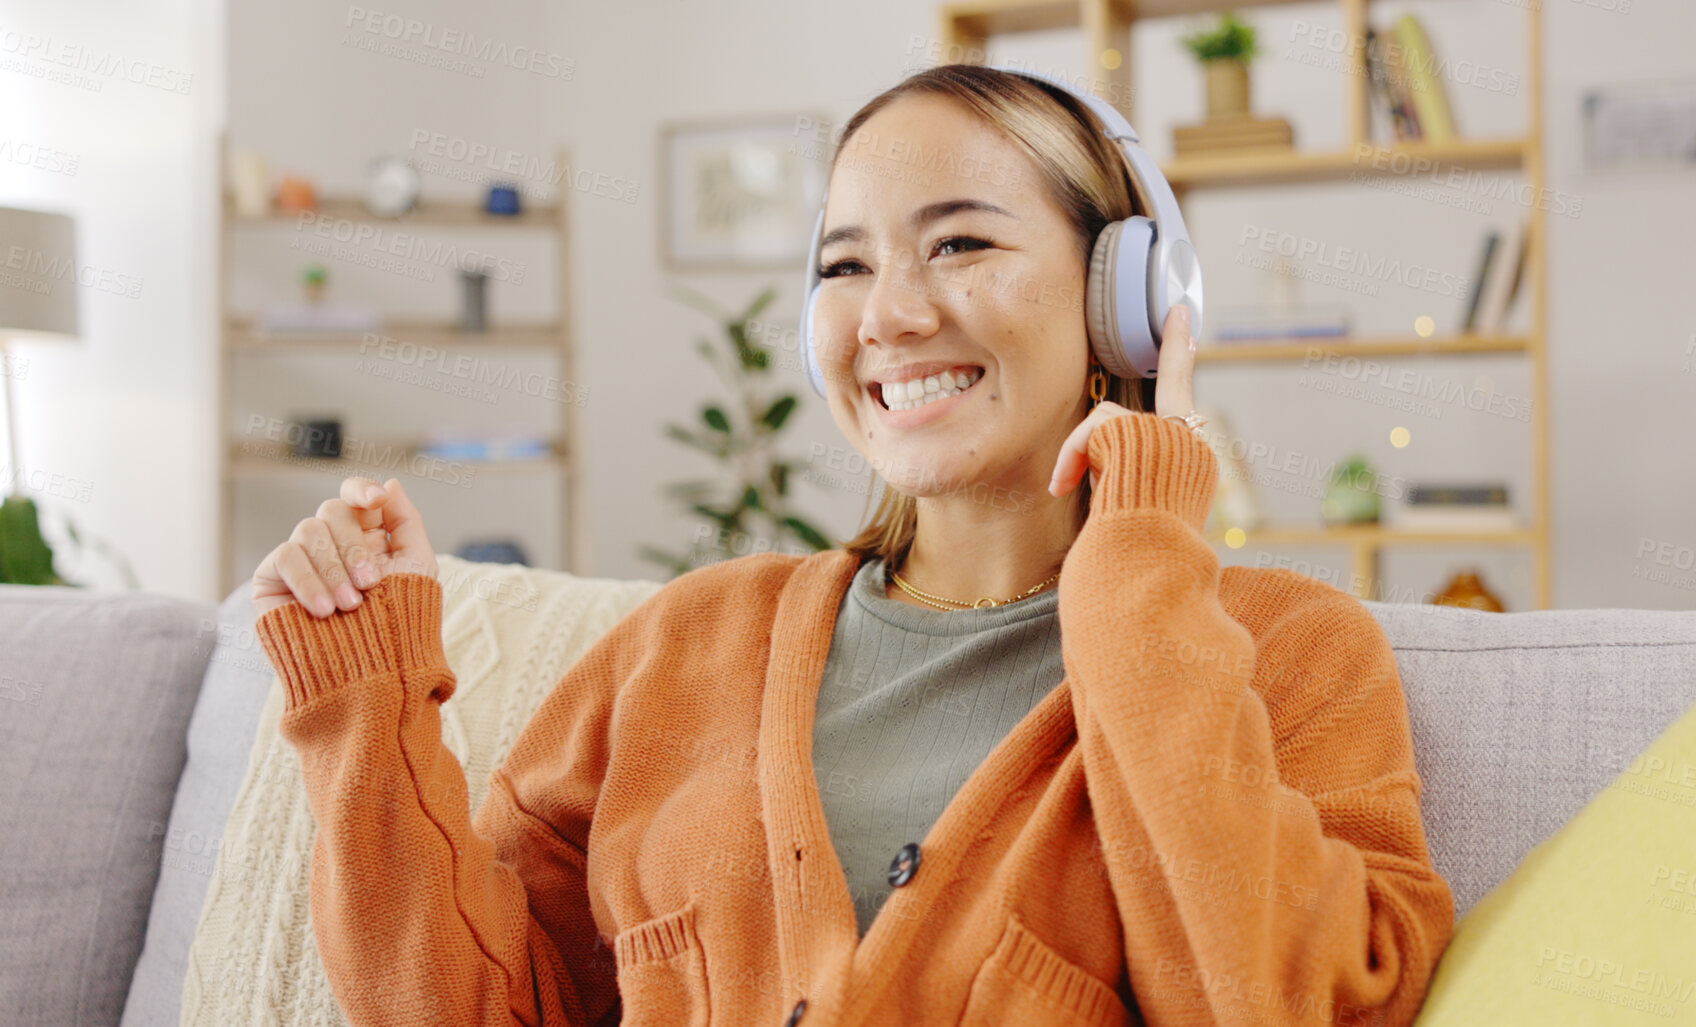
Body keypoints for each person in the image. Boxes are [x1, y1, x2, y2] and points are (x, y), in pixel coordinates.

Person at [251, 64, 1454, 1026]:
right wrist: (364, 698)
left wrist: (1140, 548)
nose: (888, 314)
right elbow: (484, 1008)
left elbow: (1281, 1003)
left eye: (960, 244)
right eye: (843, 264)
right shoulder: (685, 641)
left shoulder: (1291, 652)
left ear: (1122, 298)